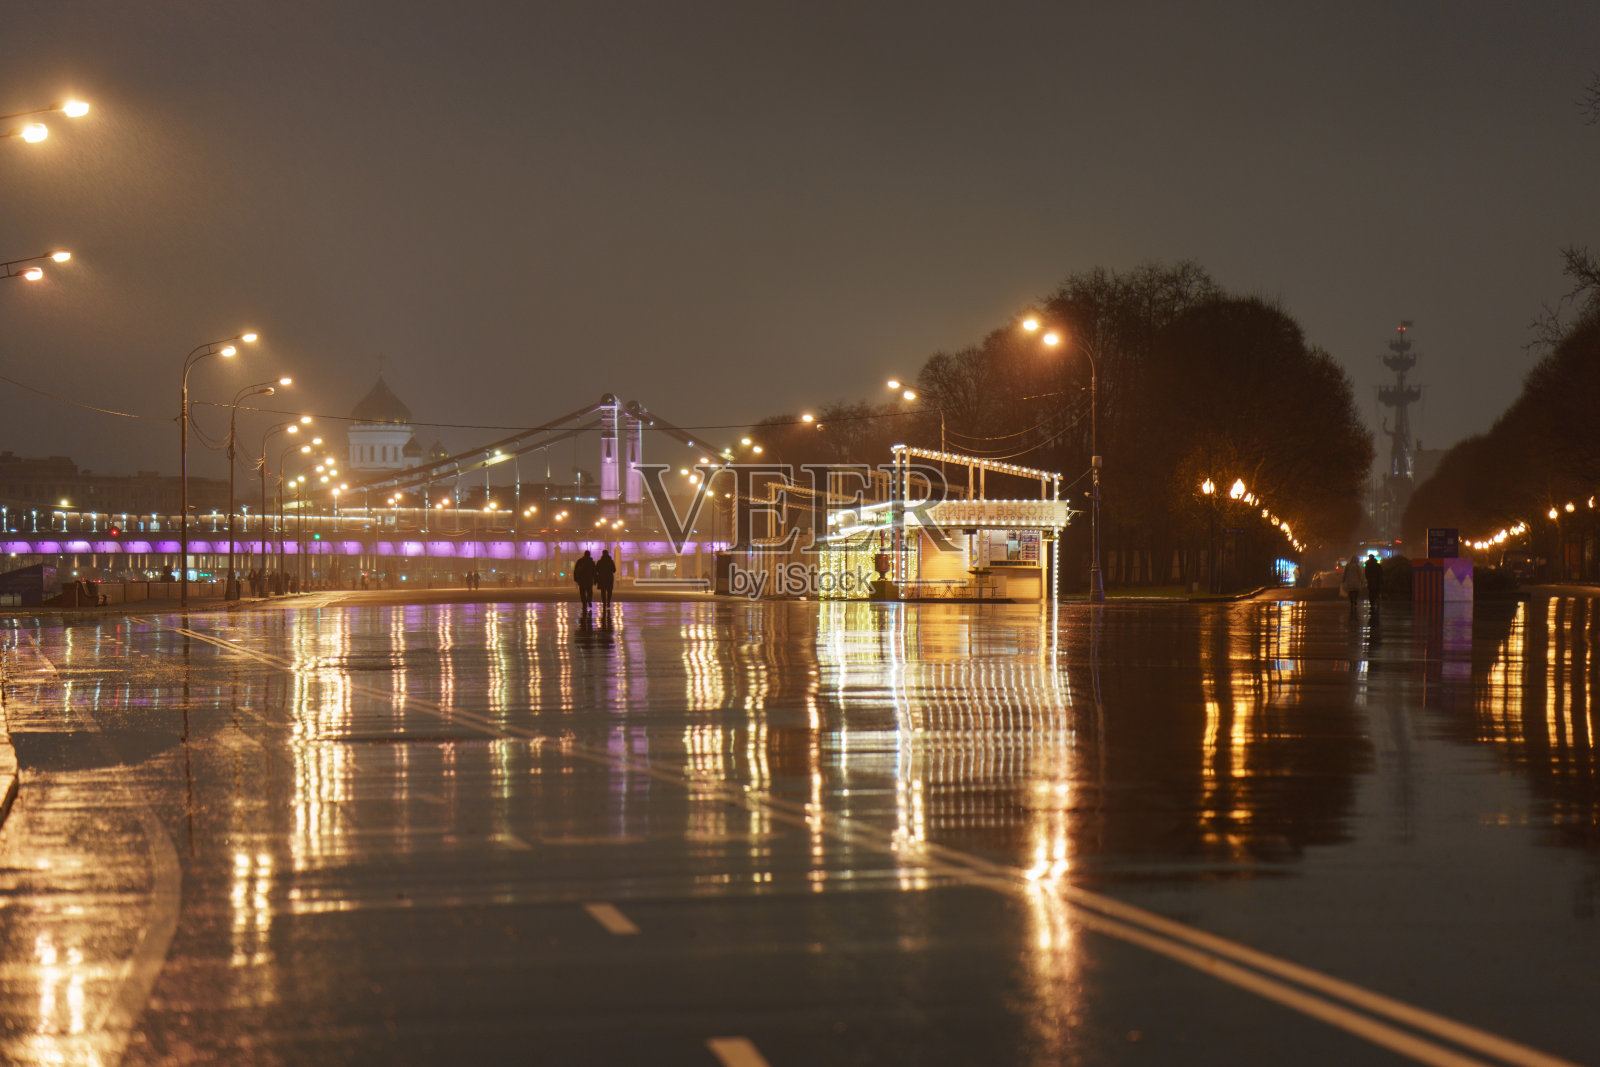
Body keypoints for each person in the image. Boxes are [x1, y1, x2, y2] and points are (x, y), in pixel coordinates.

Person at [1363, 554, 1384, 620]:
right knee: (1376, 591)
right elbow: (1380, 573)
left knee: (1371, 592)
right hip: (1377, 581)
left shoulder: (1367, 565)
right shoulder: (1378, 565)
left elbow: (1366, 573)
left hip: (1370, 581)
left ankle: (1372, 603)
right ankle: (1376, 601)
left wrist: (1368, 579)